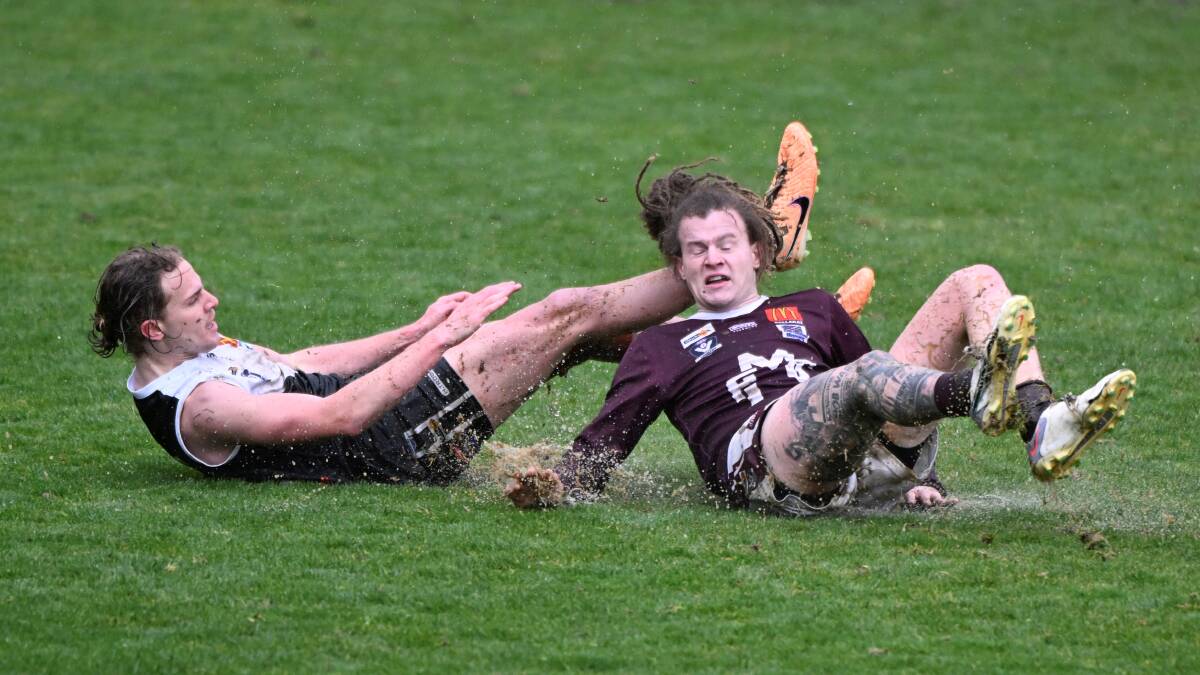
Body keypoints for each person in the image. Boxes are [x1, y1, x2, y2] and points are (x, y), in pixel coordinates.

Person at [89, 122, 864, 485]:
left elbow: (301, 366)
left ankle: (760, 319)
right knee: (564, 313)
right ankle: (768, 247)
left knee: (574, 336)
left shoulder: (193, 356)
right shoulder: (202, 405)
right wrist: (448, 340)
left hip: (400, 421)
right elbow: (335, 416)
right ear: (152, 326)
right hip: (401, 445)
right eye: (195, 298)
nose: (213, 299)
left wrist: (420, 326)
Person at [506, 157, 1137, 515]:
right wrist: (551, 487)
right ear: (678, 267)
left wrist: (927, 482)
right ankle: (980, 389)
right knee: (856, 381)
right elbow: (597, 455)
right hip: (775, 470)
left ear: (758, 251)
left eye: (727, 244)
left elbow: (895, 389)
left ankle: (1039, 421)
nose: (713, 259)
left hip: (867, 453)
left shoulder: (812, 308)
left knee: (976, 280)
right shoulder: (659, 347)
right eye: (696, 251)